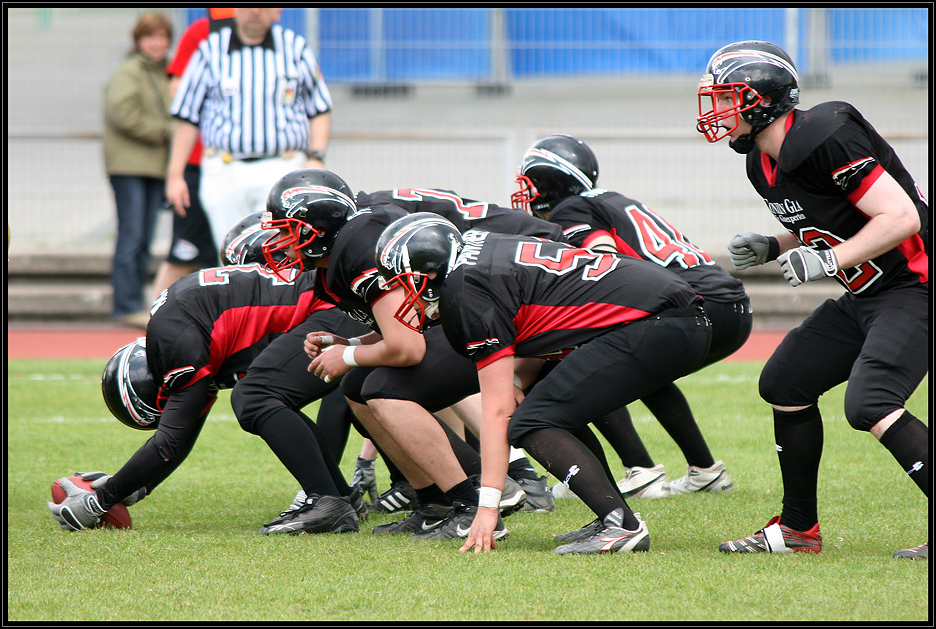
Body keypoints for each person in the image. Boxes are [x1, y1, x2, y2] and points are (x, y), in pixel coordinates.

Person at [696, 41, 929, 558]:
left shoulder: (826, 134)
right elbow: (829, 222)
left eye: (727, 98)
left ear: (761, 101)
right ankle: (799, 528)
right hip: (867, 291)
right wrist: (776, 243)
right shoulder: (763, 163)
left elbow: (901, 217)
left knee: (871, 403)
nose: (717, 112)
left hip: (916, 284)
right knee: (786, 380)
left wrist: (829, 261)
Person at [373, 213, 712, 554]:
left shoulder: (467, 290)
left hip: (659, 322)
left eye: (404, 281)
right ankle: (613, 515)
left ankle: (621, 525)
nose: (404, 293)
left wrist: (487, 507)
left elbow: (497, 412)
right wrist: (518, 382)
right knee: (545, 405)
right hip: (666, 313)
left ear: (429, 272)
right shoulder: (479, 248)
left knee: (531, 422)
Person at [262, 170, 558, 540]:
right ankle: (435, 503)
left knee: (381, 388)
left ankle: (469, 502)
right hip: (457, 318)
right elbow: (407, 325)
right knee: (357, 386)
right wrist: (350, 345)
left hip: (486, 316)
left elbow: (408, 346)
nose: (278, 242)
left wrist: (347, 357)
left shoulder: (358, 248)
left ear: (316, 229)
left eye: (286, 230)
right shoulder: (345, 251)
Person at [47, 220, 366, 535]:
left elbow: (168, 443)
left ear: (154, 394)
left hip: (330, 311)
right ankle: (339, 497)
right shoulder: (174, 333)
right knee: (266, 397)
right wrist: (127, 486)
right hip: (333, 304)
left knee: (255, 399)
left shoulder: (176, 344)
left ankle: (328, 500)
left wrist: (99, 501)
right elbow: (179, 440)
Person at [511, 134, 751, 499]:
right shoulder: (613, 199)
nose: (526, 193)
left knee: (589, 357)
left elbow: (602, 256)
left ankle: (639, 469)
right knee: (645, 371)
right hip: (729, 304)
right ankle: (705, 471)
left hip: (689, 303)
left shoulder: (570, 209)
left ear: (551, 181)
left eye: (530, 183)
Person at [166, 7, 332, 252]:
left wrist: (316, 157)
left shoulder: (295, 48)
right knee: (232, 255)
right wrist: (174, 174)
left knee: (284, 255)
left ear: (277, 11)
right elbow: (188, 117)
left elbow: (319, 108)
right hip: (225, 169)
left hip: (282, 168)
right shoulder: (210, 50)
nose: (255, 11)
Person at [151, 9, 235, 303]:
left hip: (248, 168)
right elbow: (178, 91)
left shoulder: (277, 39)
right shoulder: (203, 30)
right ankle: (154, 329)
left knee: (245, 256)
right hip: (201, 163)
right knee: (184, 253)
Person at [102, 12, 175, 328]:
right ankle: (126, 304)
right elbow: (123, 113)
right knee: (131, 236)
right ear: (138, 40)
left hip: (152, 168)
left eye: (162, 37)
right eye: (151, 37)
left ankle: (132, 301)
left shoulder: (161, 72)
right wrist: (166, 130)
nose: (157, 43)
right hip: (129, 166)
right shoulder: (129, 72)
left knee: (143, 237)